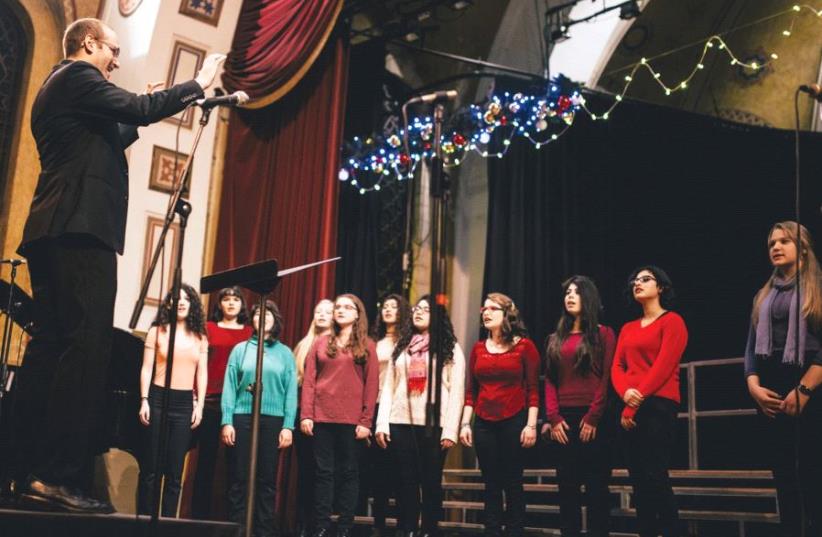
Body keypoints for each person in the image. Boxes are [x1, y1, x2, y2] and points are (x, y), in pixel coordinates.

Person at [7, 17, 224, 512]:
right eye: (113, 50)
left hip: (51, 229)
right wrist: (197, 83)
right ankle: (58, 474)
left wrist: (132, 116)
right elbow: (141, 109)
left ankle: (21, 470)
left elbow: (103, 140)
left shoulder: (59, 89)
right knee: (85, 350)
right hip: (81, 229)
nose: (117, 60)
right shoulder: (80, 77)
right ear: (89, 43)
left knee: (51, 348)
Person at [744, 222, 822, 537]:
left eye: (784, 241)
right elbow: (750, 346)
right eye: (771, 243)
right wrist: (753, 384)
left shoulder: (817, 287)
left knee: (812, 471)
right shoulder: (763, 294)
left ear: (802, 247)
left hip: (810, 379)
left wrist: (804, 388)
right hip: (771, 381)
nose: (775, 247)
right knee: (784, 474)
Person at [376, 295, 464, 537]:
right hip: (400, 419)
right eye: (416, 308)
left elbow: (457, 391)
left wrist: (450, 429)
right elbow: (388, 389)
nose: (418, 312)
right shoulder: (402, 346)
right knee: (405, 481)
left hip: (434, 424)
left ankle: (428, 530)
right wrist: (382, 423)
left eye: (425, 309)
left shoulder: (450, 347)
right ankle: (408, 529)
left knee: (431, 481)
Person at [611, 266, 687, 537]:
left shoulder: (672, 321)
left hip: (658, 406)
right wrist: (624, 395)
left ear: (661, 288)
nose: (637, 284)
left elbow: (663, 366)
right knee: (638, 480)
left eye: (645, 279)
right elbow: (617, 367)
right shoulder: (628, 328)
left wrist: (634, 401)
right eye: (635, 281)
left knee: (655, 475)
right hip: (631, 405)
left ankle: (674, 531)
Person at [459, 292, 540, 537]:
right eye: (484, 309)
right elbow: (471, 391)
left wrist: (532, 425)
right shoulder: (478, 348)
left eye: (492, 308)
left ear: (507, 314)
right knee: (491, 483)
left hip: (513, 419)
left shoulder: (524, 346)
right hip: (484, 422)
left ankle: (515, 531)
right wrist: (465, 424)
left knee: (512, 482)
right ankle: (492, 531)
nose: (485, 312)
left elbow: (533, 388)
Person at [300, 294, 379, 537]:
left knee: (349, 473)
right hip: (322, 417)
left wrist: (366, 421)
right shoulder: (321, 343)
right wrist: (306, 414)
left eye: (347, 307)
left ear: (357, 314)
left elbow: (372, 385)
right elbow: (310, 381)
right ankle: (322, 526)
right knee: (323, 473)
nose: (341, 310)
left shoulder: (367, 345)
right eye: (338, 307)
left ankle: (344, 527)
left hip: (351, 420)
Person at [543, 276, 615, 537]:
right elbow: (550, 380)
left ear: (589, 297)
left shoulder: (604, 334)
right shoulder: (554, 338)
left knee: (597, 488)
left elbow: (606, 378)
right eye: (567, 292)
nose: (570, 296)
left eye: (577, 292)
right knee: (567, 489)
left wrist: (594, 416)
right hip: (562, 419)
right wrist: (552, 417)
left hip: (593, 417)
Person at [221, 300, 297, 537]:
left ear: (275, 320)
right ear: (252, 320)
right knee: (240, 477)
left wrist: (287, 426)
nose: (262, 317)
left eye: (268, 314)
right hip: (243, 417)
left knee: (266, 479)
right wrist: (227, 420)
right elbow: (230, 387)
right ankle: (238, 529)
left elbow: (291, 392)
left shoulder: (285, 353)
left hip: (272, 420)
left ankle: (263, 532)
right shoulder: (240, 349)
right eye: (257, 314)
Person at [138, 283, 209, 517]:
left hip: (184, 403)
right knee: (151, 469)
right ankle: (146, 522)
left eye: (186, 299)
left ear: (192, 305)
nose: (181, 302)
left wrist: (198, 406)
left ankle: (169, 523)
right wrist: (144, 399)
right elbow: (146, 368)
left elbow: (202, 373)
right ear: (169, 303)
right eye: (176, 298)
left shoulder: (200, 338)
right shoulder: (157, 331)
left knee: (175, 471)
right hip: (158, 398)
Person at [191, 287, 252, 519]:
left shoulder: (249, 332)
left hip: (238, 405)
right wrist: (196, 396)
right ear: (220, 305)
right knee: (205, 460)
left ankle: (232, 520)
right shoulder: (209, 328)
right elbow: (199, 364)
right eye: (226, 299)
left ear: (241, 305)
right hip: (210, 400)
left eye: (236, 299)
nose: (231, 303)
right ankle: (198, 517)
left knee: (235, 464)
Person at [359, 293, 410, 537]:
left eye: (394, 307)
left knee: (401, 470)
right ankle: (378, 525)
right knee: (377, 471)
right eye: (385, 307)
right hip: (375, 404)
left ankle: (403, 526)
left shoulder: (409, 341)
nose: (388, 310)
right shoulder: (373, 342)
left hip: (399, 409)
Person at [290, 299, 334, 537]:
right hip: (302, 413)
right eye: (318, 311)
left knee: (323, 471)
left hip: (327, 415)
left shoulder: (337, 345)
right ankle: (303, 523)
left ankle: (321, 524)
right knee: (306, 470)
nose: (322, 315)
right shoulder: (303, 345)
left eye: (328, 311)